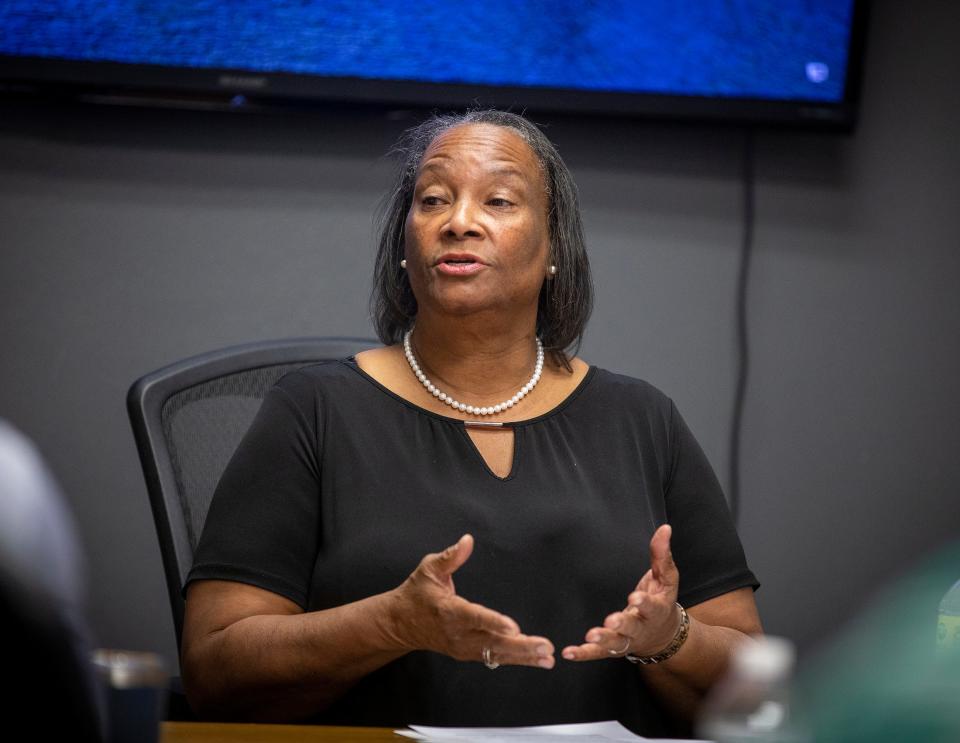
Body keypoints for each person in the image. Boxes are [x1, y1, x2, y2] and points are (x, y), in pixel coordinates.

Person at [181, 109, 761, 736]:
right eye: (433, 200)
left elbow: (754, 688)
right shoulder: (313, 409)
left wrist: (670, 635)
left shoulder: (643, 419)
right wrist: (390, 623)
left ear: (553, 248)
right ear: (405, 247)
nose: (459, 222)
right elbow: (214, 672)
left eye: (500, 201)